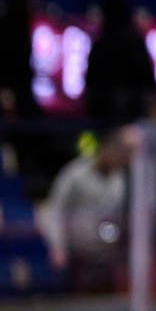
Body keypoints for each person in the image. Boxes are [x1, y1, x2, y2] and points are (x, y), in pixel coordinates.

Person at [42, 124, 135, 292]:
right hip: (75, 258)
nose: (123, 160)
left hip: (106, 259)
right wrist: (57, 248)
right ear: (107, 149)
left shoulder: (119, 180)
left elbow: (117, 217)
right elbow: (54, 211)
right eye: (121, 154)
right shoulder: (75, 174)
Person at [83, 0, 156, 128]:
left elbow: (149, 85)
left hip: (133, 122)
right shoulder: (103, 45)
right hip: (105, 121)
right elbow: (91, 86)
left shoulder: (129, 44)